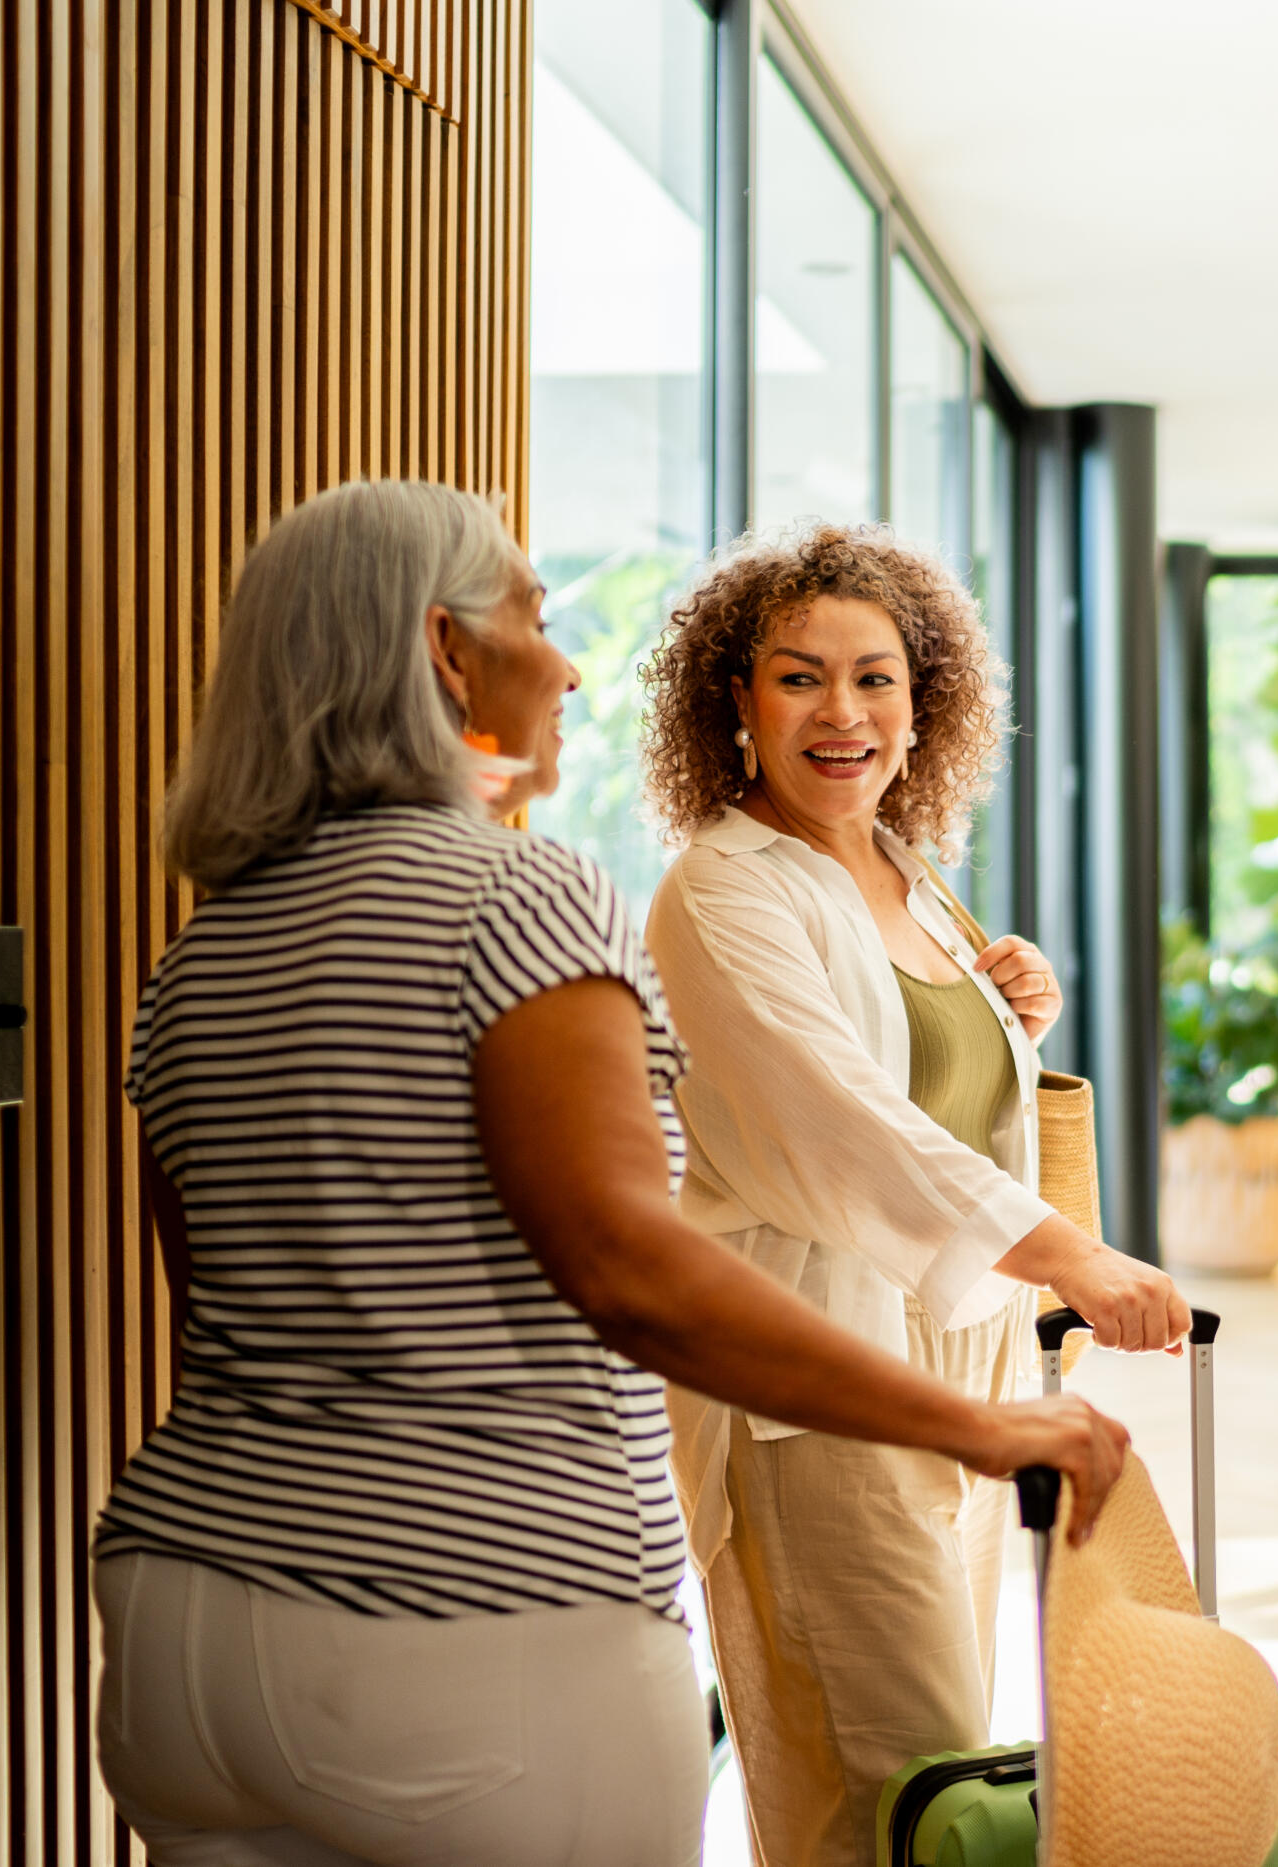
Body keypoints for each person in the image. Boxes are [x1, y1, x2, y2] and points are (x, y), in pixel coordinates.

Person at [95, 481, 1130, 1867]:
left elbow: (215, 1299)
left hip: (190, 1608)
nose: (570, 659)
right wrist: (985, 1429)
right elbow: (632, 1270)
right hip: (477, 1614)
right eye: (534, 617)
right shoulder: (523, 898)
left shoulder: (200, 957)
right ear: (447, 655)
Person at [637, 523, 1190, 1867]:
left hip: (963, 1362)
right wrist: (1070, 1252)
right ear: (735, 699)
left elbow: (931, 1083)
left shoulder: (907, 870)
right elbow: (841, 1121)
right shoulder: (723, 888)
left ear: (922, 701)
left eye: (877, 678)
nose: (844, 712)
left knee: (941, 1764)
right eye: (799, 676)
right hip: (816, 1374)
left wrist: (1013, 1017)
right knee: (889, 1765)